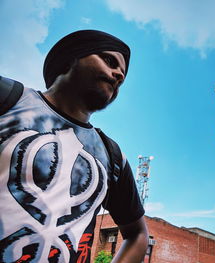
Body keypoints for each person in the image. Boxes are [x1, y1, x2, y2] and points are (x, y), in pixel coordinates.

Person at [0, 30, 148, 263]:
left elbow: (138, 234)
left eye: (122, 76)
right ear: (72, 57)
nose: (118, 74)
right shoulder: (9, 100)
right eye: (109, 61)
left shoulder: (112, 156)